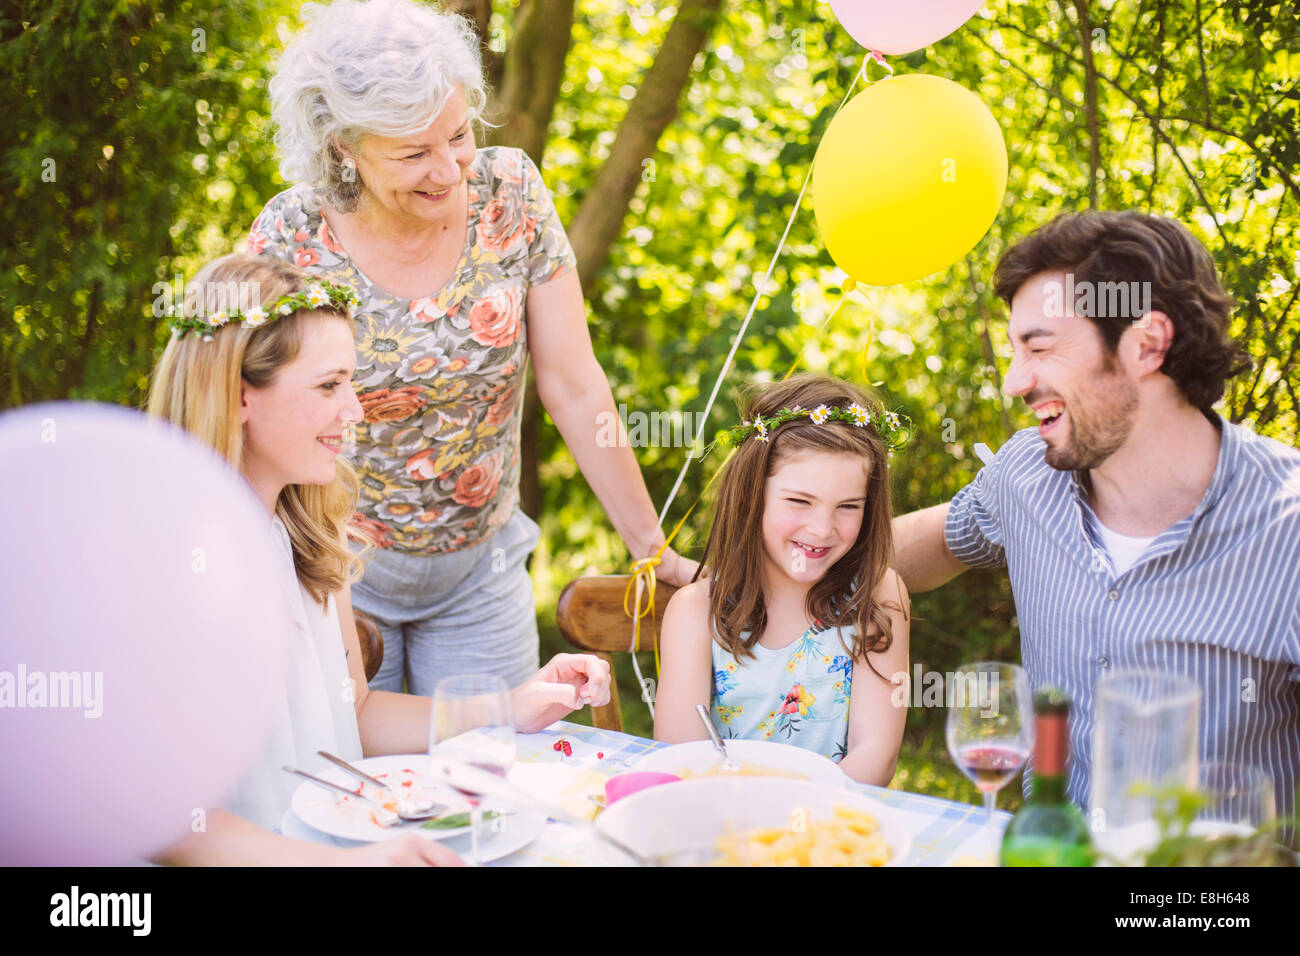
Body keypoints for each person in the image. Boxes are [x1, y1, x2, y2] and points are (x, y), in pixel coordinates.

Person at [249, 0, 696, 697]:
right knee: (360, 792)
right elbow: (248, 415)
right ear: (344, 146)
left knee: (490, 789)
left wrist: (650, 544)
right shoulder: (292, 236)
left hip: (479, 580)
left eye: (457, 135)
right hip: (336, 576)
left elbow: (575, 384)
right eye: (412, 153)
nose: (450, 169)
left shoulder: (510, 192)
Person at [148, 254, 612, 865]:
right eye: (328, 385)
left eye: (351, 382)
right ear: (239, 396)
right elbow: (165, 821)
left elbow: (357, 715)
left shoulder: (309, 535)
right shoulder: (164, 565)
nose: (356, 410)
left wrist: (510, 708)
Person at [893, 210, 1300, 823]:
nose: (1013, 382)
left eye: (1039, 347)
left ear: (1146, 344)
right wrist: (748, 567)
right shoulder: (1027, 475)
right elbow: (929, 544)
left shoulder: (1286, 524)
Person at [654, 374, 911, 786]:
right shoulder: (696, 612)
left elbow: (875, 757)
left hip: (828, 829)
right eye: (799, 501)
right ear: (752, 493)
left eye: (847, 506)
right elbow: (681, 762)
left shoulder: (876, 599)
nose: (821, 528)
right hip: (721, 825)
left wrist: (798, 824)